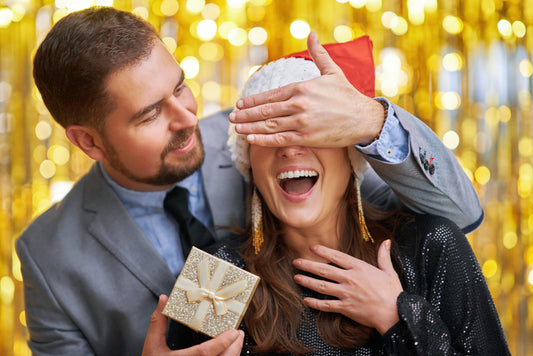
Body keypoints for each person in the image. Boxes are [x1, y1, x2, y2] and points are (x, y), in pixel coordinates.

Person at [16, 6, 483, 356]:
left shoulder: (264, 128)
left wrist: (369, 119)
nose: (187, 118)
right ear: (88, 142)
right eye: (151, 113)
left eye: (179, 87)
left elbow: (455, 217)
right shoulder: (51, 257)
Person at [167, 54, 509, 355]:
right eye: (269, 134)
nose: (289, 149)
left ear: (350, 156)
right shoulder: (211, 276)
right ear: (250, 166)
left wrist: (397, 317)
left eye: (308, 130)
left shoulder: (430, 245)